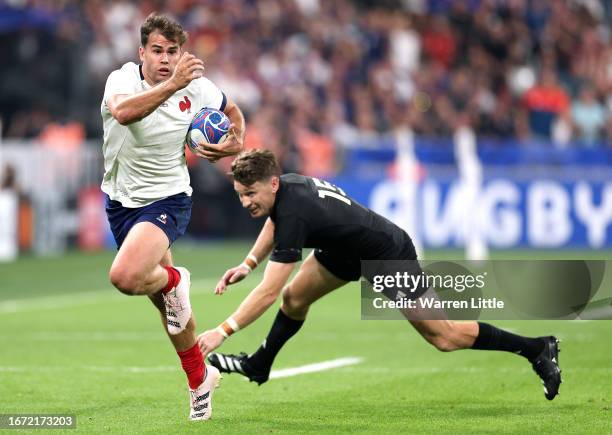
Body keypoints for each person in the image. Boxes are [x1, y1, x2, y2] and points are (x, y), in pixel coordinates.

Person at [197, 149, 562, 401]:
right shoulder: (285, 189)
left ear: (272, 184)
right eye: (241, 195)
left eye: (250, 193)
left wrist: (223, 330)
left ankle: (536, 348)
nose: (245, 202)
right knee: (296, 298)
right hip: (345, 251)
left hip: (385, 254)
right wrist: (247, 264)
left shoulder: (295, 211)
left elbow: (267, 292)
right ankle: (260, 365)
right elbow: (275, 223)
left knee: (445, 336)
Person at [101, 13, 245, 421]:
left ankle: (176, 278)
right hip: (121, 202)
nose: (166, 59)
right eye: (158, 51)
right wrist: (172, 85)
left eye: (173, 52)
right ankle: (201, 379)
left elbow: (233, 113)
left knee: (126, 277)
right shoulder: (122, 80)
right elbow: (125, 114)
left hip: (168, 199)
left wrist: (236, 142)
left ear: (181, 53)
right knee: (170, 308)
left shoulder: (196, 86)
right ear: (141, 52)